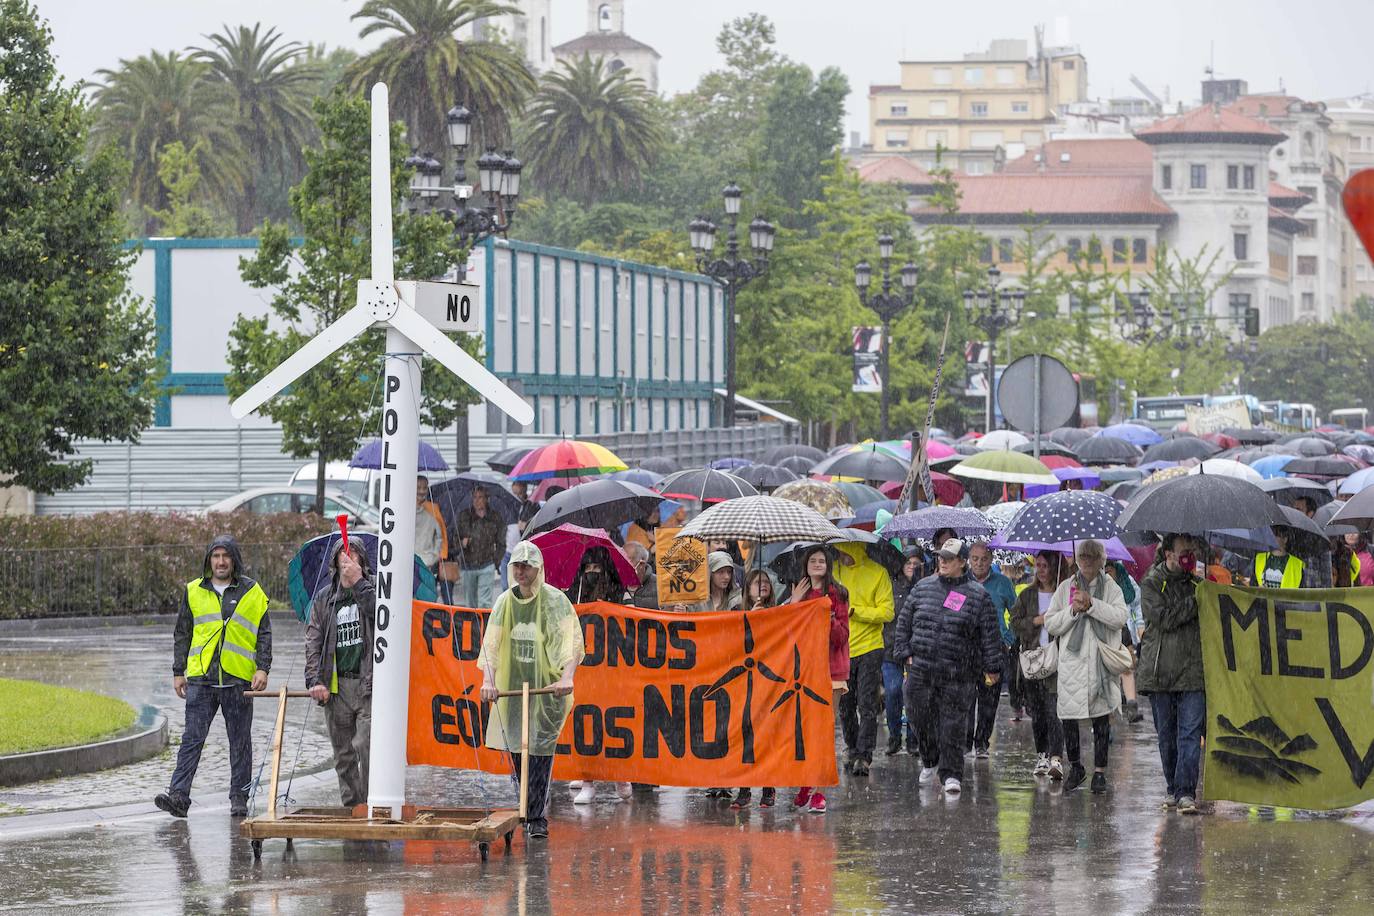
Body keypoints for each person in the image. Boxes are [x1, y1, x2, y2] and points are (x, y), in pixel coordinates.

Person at [155, 535, 271, 818]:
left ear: (234, 560)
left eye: (226, 556)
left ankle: (239, 798)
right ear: (209, 560)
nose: (221, 562)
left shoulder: (252, 591)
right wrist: (178, 672)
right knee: (192, 739)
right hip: (201, 680)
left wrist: (262, 667)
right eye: (216, 556)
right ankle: (178, 796)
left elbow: (263, 633)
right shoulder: (193, 590)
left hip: (238, 679)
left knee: (240, 742)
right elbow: (182, 632)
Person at [478, 541, 584, 839]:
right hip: (512, 689)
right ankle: (526, 806)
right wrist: (488, 681)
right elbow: (492, 645)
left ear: (538, 569)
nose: (521, 571)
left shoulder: (555, 601)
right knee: (518, 753)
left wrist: (566, 676)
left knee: (539, 752)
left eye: (527, 566)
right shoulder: (504, 603)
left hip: (546, 691)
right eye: (517, 566)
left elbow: (570, 641)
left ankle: (536, 816)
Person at [896, 538, 1001, 796]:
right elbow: (904, 622)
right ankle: (930, 759)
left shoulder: (978, 595)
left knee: (953, 725)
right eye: (940, 556)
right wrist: (904, 652)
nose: (942, 561)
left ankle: (952, 773)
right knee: (918, 716)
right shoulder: (922, 588)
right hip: (922, 669)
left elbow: (989, 633)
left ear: (962, 562)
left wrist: (993, 665)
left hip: (959, 672)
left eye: (948, 557)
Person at [1045, 538, 1129, 794]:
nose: (1087, 562)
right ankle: (1077, 767)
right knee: (1069, 717)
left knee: (1101, 718)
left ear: (1101, 561)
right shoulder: (1065, 587)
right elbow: (1051, 623)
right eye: (1083, 557)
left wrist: (1092, 605)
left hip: (1099, 663)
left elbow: (1119, 618)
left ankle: (1100, 772)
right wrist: (1073, 610)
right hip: (1072, 663)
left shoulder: (1111, 587)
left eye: (1093, 557)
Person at [1138, 534, 1207, 815]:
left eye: (1192, 551)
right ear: (1168, 554)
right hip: (1161, 673)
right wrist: (1196, 602)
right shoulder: (1152, 583)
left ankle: (1186, 792)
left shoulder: (1199, 585)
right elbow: (1165, 618)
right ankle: (1173, 787)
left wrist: (1207, 591)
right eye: (1183, 552)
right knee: (1167, 736)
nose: (1188, 556)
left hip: (1193, 672)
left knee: (1189, 735)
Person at [304, 541, 374, 808]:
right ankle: (352, 807)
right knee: (343, 755)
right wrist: (315, 680)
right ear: (334, 562)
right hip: (337, 686)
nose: (348, 558)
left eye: (353, 552)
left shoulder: (373, 588)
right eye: (343, 553)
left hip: (368, 682)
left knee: (367, 746)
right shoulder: (324, 598)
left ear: (362, 559)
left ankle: (369, 805)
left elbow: (383, 618)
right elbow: (312, 641)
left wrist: (359, 583)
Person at [785, 545, 850, 814]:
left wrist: (829, 618)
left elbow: (841, 637)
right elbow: (786, 631)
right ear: (806, 565)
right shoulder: (798, 590)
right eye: (813, 560)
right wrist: (794, 604)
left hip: (831, 671)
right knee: (803, 733)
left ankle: (819, 791)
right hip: (803, 671)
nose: (817, 564)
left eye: (822, 560)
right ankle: (804, 784)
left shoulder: (838, 593)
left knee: (822, 733)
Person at [833, 541, 895, 778]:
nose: (842, 557)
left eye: (844, 553)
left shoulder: (878, 573)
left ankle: (864, 755)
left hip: (869, 648)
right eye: (839, 553)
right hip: (842, 647)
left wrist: (857, 610)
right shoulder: (835, 573)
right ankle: (852, 747)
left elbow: (887, 611)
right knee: (846, 706)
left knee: (866, 704)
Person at [1010, 550, 1066, 780]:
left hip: (1057, 661)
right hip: (1033, 661)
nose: (1040, 571)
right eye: (1038, 566)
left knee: (1055, 711)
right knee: (1037, 713)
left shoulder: (1063, 595)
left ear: (1054, 567)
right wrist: (1035, 621)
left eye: (1045, 566)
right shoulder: (1027, 595)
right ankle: (1042, 755)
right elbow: (1015, 623)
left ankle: (1056, 757)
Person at [730, 569, 779, 809]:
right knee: (746, 736)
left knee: (767, 735)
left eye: (766, 582)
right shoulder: (737, 612)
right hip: (743, 682)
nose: (763, 586)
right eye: (758, 582)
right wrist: (750, 618)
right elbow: (730, 642)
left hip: (768, 681)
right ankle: (744, 788)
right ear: (747, 588)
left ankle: (769, 787)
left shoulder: (779, 613)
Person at [966, 542, 1017, 758]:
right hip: (966, 649)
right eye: (975, 558)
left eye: (984, 559)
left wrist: (1007, 639)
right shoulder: (961, 580)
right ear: (968, 558)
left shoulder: (1003, 583)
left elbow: (1016, 615)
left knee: (989, 700)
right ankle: (965, 742)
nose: (979, 563)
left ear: (991, 559)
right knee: (966, 699)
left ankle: (982, 743)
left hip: (995, 649)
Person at [882, 550, 922, 756]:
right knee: (893, 691)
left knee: (913, 697)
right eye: (908, 562)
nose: (911, 566)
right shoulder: (890, 585)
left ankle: (913, 740)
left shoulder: (922, 587)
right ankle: (894, 736)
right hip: (891, 649)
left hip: (915, 651)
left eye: (916, 562)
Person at [456, 485, 507, 609]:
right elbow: (454, 539)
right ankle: (472, 627)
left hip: (487, 564)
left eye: (480, 497)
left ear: (487, 499)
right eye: (474, 497)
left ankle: (484, 628)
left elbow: (501, 542)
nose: (477, 500)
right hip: (468, 564)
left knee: (485, 603)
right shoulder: (464, 516)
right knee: (470, 604)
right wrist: (462, 544)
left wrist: (495, 562)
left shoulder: (495, 517)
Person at [1110, 559, 1146, 724]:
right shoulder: (1095, 582)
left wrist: (1140, 627)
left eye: (1111, 570)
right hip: (1105, 630)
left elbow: (1137, 605)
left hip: (1124, 630)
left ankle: (1132, 707)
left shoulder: (1127, 582)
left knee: (1127, 668)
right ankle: (1108, 715)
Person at [415, 476, 446, 596]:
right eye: (418, 487)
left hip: (428, 563)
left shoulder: (433, 509)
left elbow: (440, 536)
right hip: (410, 562)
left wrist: (434, 556)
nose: (422, 491)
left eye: (424, 488)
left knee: (428, 597)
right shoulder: (404, 508)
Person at [624, 541, 659, 609]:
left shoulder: (659, 586)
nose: (623, 564)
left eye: (628, 560)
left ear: (641, 564)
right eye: (621, 559)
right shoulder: (614, 584)